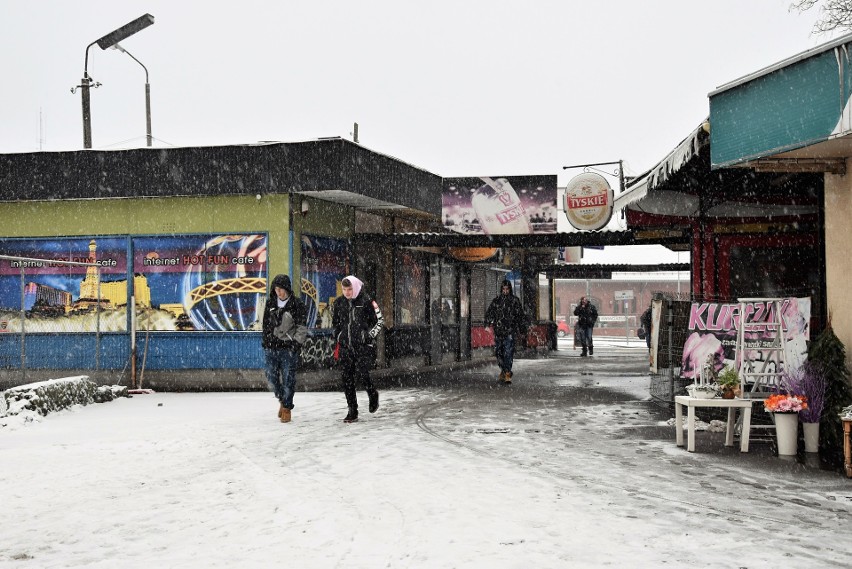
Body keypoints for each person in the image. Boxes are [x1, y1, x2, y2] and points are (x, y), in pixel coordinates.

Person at [332, 275, 384, 423]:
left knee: (363, 374)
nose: (347, 292)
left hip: (362, 347)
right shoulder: (339, 303)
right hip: (345, 347)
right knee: (347, 379)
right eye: (344, 289)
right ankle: (352, 410)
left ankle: (372, 393)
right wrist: (337, 336)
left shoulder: (367, 301)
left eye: (349, 289)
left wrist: (368, 336)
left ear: (355, 288)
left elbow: (379, 321)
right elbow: (335, 323)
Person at [261, 274, 307, 423]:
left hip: (288, 348)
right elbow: (265, 324)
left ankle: (286, 407)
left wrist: (295, 344)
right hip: (271, 347)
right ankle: (282, 399)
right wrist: (267, 340)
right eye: (276, 289)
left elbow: (301, 327)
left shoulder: (297, 304)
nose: (278, 292)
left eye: (281, 289)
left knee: (289, 379)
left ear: (287, 289)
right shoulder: (270, 303)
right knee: (271, 377)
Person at [485, 279, 526, 384]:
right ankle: (504, 370)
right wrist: (487, 323)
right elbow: (489, 312)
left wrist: (522, 330)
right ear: (501, 289)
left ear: (510, 289)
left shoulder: (514, 301)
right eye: (504, 289)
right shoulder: (497, 301)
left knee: (508, 352)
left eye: (507, 289)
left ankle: (507, 372)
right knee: (499, 353)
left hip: (509, 331)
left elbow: (520, 316)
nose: (505, 291)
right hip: (498, 331)